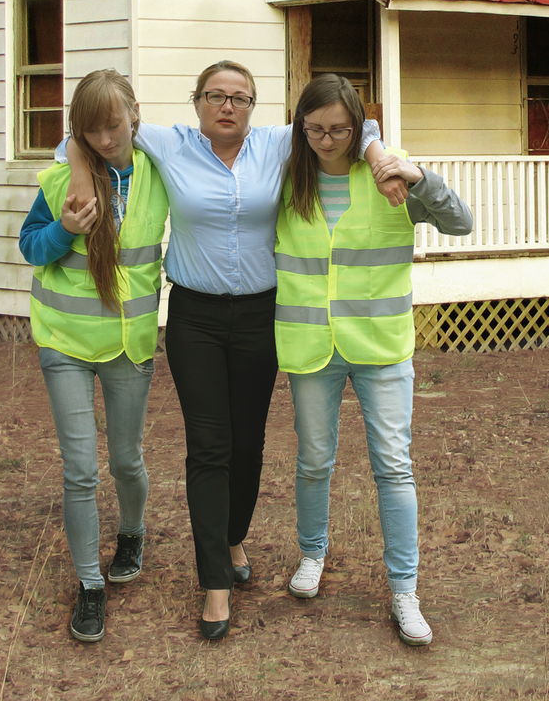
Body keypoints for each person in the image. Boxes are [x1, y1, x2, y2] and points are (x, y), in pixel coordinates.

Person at [62, 60, 403, 641]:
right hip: (194, 317)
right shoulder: (170, 144)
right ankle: (214, 583)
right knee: (210, 445)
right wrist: (78, 175)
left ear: (254, 106)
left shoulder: (278, 144)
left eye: (240, 98)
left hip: (259, 317)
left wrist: (375, 154)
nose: (228, 106)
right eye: (215, 96)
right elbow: (88, 131)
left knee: (249, 445)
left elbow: (349, 125)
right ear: (197, 103)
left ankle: (234, 535)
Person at [275, 74, 472, 647]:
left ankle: (405, 590)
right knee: (314, 460)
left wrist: (419, 178)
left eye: (340, 129)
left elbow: (460, 222)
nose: (327, 140)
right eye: (314, 129)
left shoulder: (391, 174)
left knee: (394, 466)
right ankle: (312, 554)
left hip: (380, 348)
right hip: (311, 345)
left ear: (359, 126)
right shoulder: (289, 178)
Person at [19, 70, 166, 645]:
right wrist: (62, 230)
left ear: (134, 111)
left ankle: (132, 532)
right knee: (79, 469)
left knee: (126, 461)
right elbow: (31, 246)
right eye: (91, 131)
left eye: (113, 124)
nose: (105, 140)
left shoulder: (159, 172)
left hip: (129, 347)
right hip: (65, 343)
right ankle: (89, 586)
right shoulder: (62, 181)